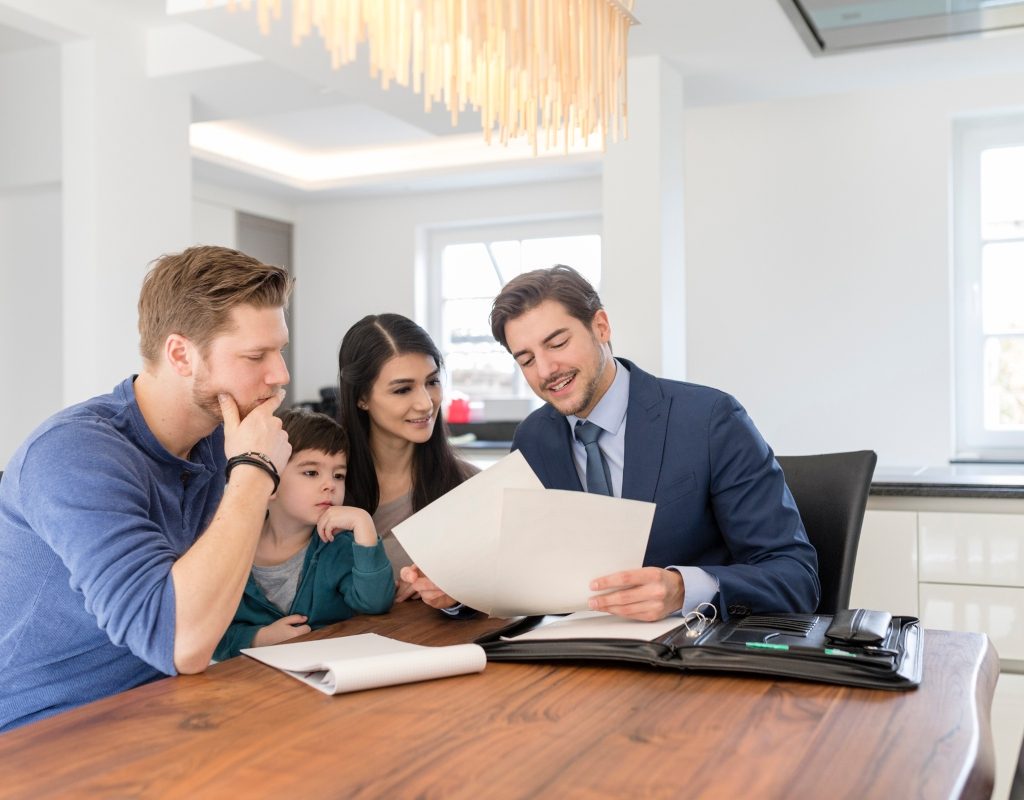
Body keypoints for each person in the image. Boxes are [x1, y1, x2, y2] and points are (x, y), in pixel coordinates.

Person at [406, 265, 819, 621]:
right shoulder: (533, 438)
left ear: (601, 326)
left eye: (557, 343)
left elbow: (795, 576)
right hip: (580, 655)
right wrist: (458, 588)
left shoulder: (710, 419)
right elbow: (522, 575)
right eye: (526, 360)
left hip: (694, 652)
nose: (546, 370)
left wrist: (683, 588)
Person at [0, 245, 293, 731]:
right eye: (255, 356)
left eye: (279, 350)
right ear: (180, 354)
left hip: (156, 705)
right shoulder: (73, 454)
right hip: (39, 733)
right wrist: (254, 470)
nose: (280, 375)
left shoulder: (218, 440)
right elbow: (179, 640)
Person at [214, 409, 394, 660]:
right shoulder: (228, 548)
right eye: (311, 472)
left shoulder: (339, 545)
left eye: (338, 475)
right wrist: (259, 638)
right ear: (270, 481)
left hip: (326, 670)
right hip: (251, 678)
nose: (330, 485)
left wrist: (364, 524)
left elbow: (375, 602)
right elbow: (210, 634)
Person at [336, 313, 478, 607]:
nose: (426, 403)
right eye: (403, 389)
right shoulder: (321, 484)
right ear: (362, 397)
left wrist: (455, 595)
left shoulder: (470, 487)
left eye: (432, 382)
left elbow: (500, 595)